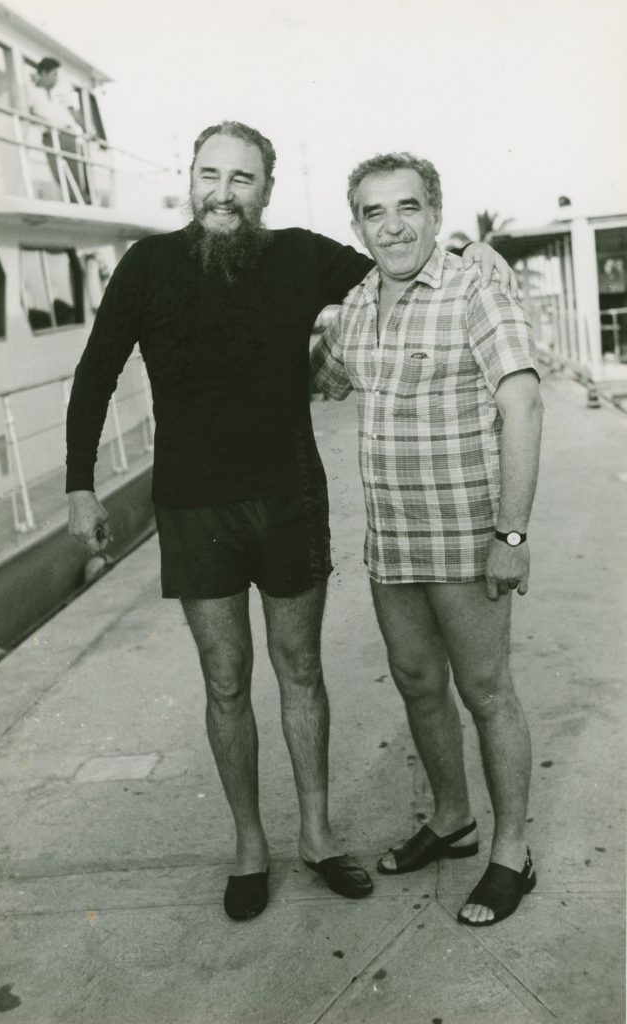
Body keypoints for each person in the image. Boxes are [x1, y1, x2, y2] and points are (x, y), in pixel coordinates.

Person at [65, 122, 515, 921]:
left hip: (289, 499)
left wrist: (478, 254)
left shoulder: (304, 254)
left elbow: (398, 258)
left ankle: (316, 835)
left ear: (266, 190)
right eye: (212, 174)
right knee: (225, 679)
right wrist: (78, 486)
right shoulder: (147, 265)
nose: (225, 192)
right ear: (190, 179)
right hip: (191, 504)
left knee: (300, 671)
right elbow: (96, 373)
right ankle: (248, 845)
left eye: (244, 178)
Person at [311, 151, 542, 927]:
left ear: (435, 214)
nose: (393, 225)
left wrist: (511, 531)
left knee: (485, 693)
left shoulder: (476, 284)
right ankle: (452, 818)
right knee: (417, 684)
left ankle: (512, 850)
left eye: (407, 207)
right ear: (358, 227)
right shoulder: (358, 303)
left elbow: (523, 404)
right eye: (374, 213)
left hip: (467, 536)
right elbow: (323, 375)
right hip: (393, 545)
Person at [30, 57, 89, 201]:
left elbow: (72, 111)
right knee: (59, 174)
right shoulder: (32, 92)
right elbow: (31, 113)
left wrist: (87, 130)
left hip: (68, 134)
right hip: (49, 136)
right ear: (43, 73)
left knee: (77, 174)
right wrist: (44, 122)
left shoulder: (62, 89)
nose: (56, 78)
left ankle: (81, 202)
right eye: (53, 74)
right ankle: (79, 202)